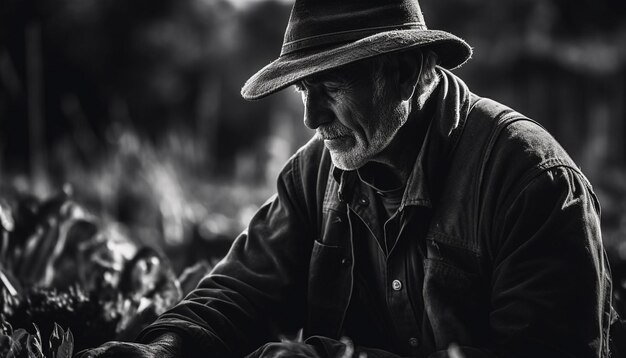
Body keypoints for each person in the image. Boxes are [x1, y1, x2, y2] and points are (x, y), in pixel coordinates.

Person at [80, 0, 614, 357]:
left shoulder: (528, 182)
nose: (311, 119)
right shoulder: (315, 173)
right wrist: (161, 349)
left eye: (330, 86)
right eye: (302, 91)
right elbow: (239, 291)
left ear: (406, 71)